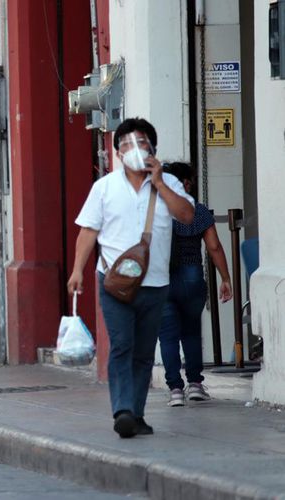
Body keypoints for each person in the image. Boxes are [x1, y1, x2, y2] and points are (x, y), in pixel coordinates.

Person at [67, 118, 194, 438]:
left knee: (143, 350)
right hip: (113, 282)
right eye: (125, 144)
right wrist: (77, 270)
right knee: (122, 344)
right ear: (118, 153)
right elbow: (88, 231)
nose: (132, 150)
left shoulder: (169, 184)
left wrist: (161, 183)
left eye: (139, 143)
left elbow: (187, 216)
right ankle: (122, 409)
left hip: (155, 283)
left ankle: (136, 414)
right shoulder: (104, 187)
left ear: (152, 148)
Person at [158, 162, 233, 407]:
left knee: (168, 337)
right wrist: (225, 278)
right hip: (192, 277)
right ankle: (195, 385)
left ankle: (175, 390)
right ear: (186, 183)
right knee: (191, 333)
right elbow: (214, 246)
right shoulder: (197, 211)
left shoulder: (157, 211)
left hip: (162, 279)